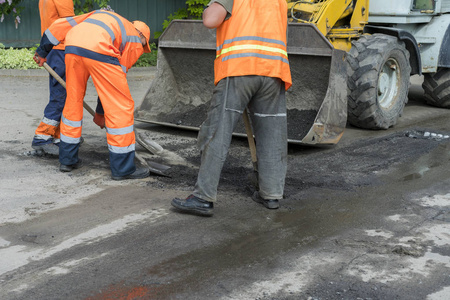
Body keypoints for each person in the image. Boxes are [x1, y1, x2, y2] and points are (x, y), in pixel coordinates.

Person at [171, 0, 292, 216]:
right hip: (274, 70)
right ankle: (271, 194)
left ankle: (202, 197)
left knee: (218, 130)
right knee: (272, 134)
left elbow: (211, 20)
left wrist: (207, 8)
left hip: (239, 68)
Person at [33, 10, 152, 180]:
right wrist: (101, 114)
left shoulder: (102, 16)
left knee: (73, 100)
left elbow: (56, 27)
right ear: (141, 35)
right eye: (144, 44)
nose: (142, 49)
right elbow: (112, 91)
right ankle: (123, 168)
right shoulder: (134, 40)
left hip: (72, 46)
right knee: (121, 106)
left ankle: (67, 159)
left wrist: (42, 52)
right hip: (100, 47)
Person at [32, 0, 75, 156]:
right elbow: (70, 23)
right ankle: (42, 136)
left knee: (61, 94)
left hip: (53, 48)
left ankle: (57, 135)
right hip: (62, 48)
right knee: (60, 96)